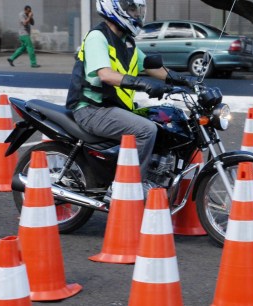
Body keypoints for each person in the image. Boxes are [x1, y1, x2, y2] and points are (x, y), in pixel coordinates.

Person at [66, 0, 195, 200]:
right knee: (145, 130)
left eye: (138, 10)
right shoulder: (97, 37)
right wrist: (143, 84)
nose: (136, 14)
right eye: (132, 9)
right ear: (115, 8)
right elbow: (106, 75)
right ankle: (130, 185)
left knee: (162, 123)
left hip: (114, 108)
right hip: (91, 109)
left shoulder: (127, 42)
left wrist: (183, 79)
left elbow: (152, 67)